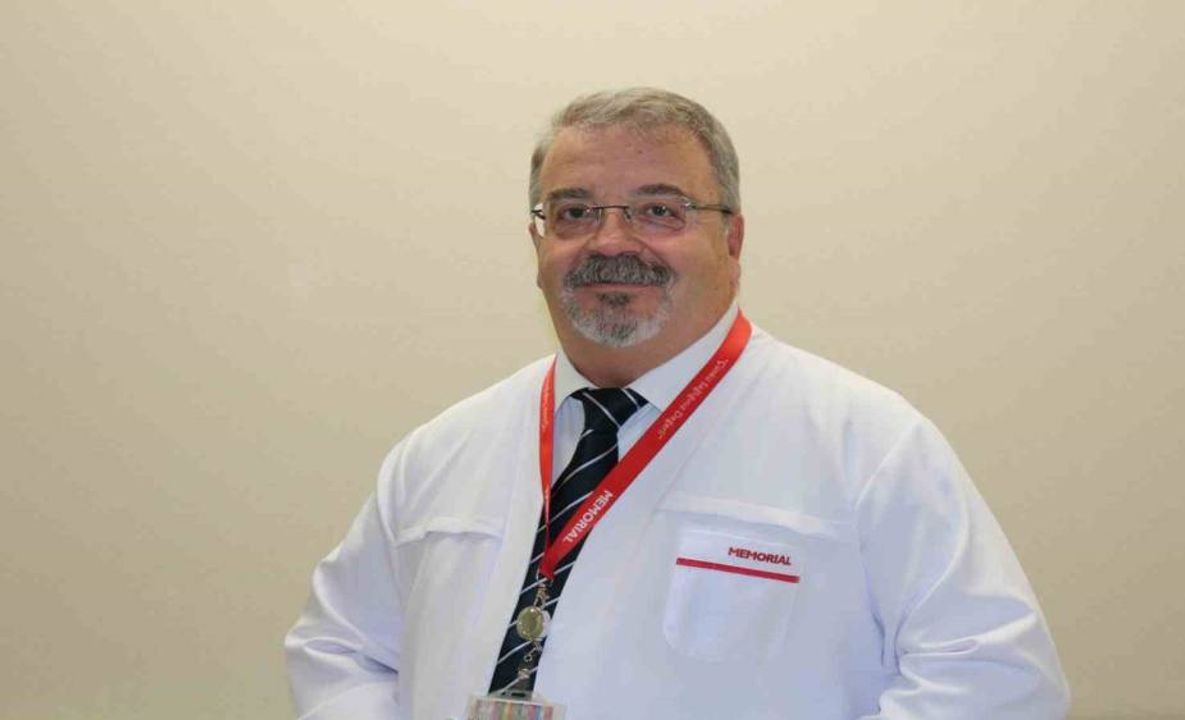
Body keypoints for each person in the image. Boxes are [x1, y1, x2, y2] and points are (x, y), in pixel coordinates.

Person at [285, 87, 1070, 719]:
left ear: (732, 240)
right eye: (574, 211)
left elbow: (995, 684)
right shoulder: (439, 452)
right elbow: (341, 649)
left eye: (659, 210)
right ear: (538, 243)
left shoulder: (868, 446)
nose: (610, 241)